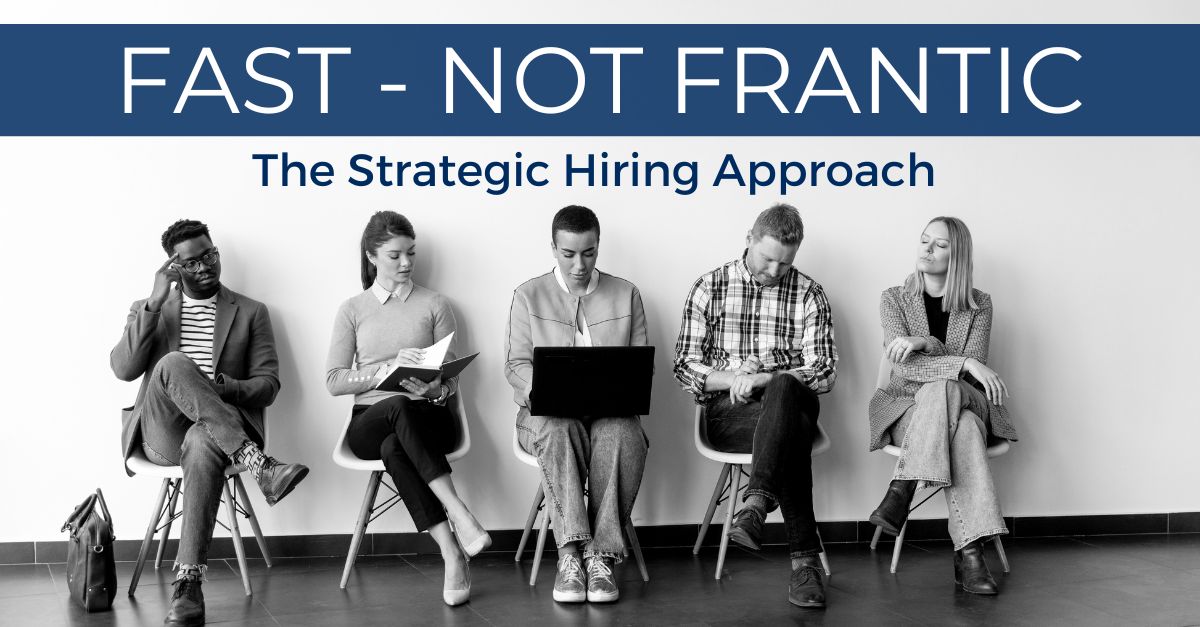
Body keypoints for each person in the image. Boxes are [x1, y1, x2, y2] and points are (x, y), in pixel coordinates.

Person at [111, 219, 309, 627]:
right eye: (192, 262)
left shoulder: (251, 311)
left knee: (203, 441)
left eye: (210, 255)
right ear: (174, 267)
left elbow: (269, 386)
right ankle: (259, 463)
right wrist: (152, 301)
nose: (205, 266)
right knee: (173, 362)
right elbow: (122, 369)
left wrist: (221, 386)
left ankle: (188, 584)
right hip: (163, 432)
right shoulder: (150, 308)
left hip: (214, 434)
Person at [673, 203, 837, 609]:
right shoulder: (709, 286)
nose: (775, 271)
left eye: (785, 263)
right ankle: (804, 562)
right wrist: (737, 379)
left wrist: (768, 379)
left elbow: (825, 371)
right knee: (789, 436)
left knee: (783, 389)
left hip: (792, 400)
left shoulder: (809, 293)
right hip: (730, 413)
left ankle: (757, 501)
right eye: (768, 259)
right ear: (749, 238)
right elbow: (684, 366)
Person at [326, 210, 490, 607]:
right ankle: (459, 513)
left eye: (411, 254)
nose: (406, 263)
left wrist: (437, 388)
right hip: (370, 420)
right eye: (395, 255)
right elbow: (333, 381)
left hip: (429, 417)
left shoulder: (436, 304)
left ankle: (451, 553)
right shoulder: (353, 309)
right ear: (371, 257)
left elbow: (450, 378)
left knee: (395, 446)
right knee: (395, 407)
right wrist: (384, 369)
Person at [504, 205, 649, 604]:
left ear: (598, 246)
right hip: (544, 416)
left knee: (622, 431)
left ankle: (600, 556)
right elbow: (515, 365)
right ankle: (569, 555)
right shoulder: (528, 294)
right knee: (558, 427)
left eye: (589, 252)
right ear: (553, 247)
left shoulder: (626, 293)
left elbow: (639, 366)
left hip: (608, 413)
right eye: (568, 254)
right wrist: (545, 390)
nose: (579, 264)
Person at [867, 216, 1018, 595]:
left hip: (968, 399)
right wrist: (960, 359)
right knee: (960, 424)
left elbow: (966, 382)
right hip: (908, 409)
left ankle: (902, 488)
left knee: (947, 389)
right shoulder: (893, 298)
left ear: (958, 256)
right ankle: (969, 554)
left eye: (940, 245)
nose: (927, 249)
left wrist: (931, 349)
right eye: (923, 240)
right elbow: (904, 366)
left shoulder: (979, 304)